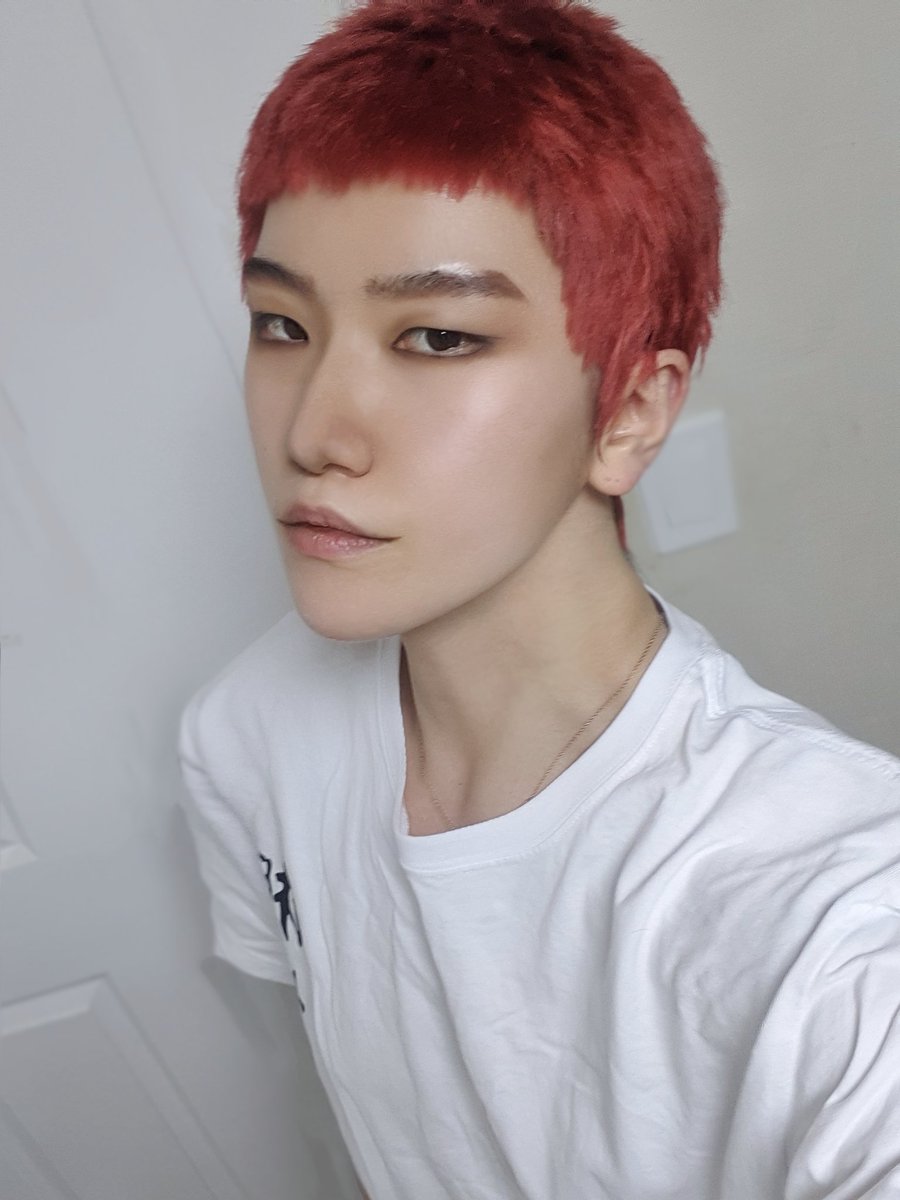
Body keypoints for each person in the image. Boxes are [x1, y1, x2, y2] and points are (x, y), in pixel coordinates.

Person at [177, 2, 900, 1197]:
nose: (313, 432)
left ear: (630, 414)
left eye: (437, 338)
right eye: (282, 323)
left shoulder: (835, 918)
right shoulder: (245, 730)